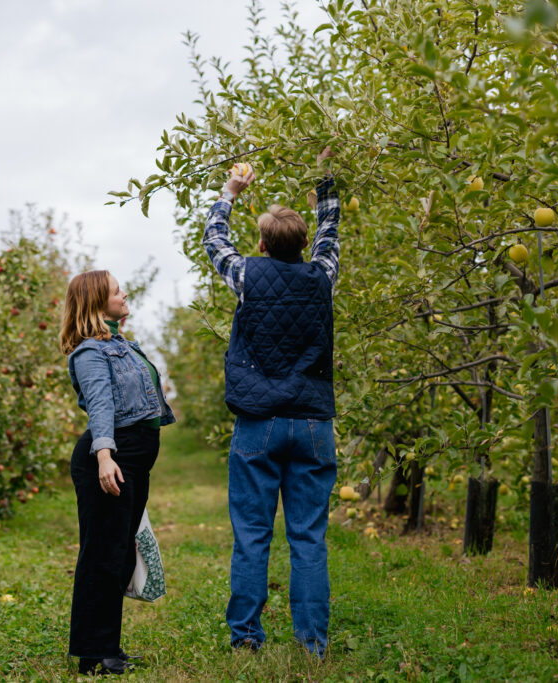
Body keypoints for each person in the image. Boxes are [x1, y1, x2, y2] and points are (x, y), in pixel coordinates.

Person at [203, 147, 340, 658]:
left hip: (258, 421)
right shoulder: (322, 275)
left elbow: (213, 241)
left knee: (253, 534)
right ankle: (313, 645)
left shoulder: (245, 276)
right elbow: (332, 230)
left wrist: (228, 195)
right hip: (311, 421)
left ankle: (246, 640)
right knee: (308, 537)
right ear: (304, 244)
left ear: (261, 244)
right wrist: (325, 179)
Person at [60, 270, 176, 676]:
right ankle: (95, 655)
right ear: (97, 302)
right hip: (111, 457)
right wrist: (105, 455)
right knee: (104, 554)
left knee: (120, 551)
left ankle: (107, 647)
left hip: (132, 456)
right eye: (115, 290)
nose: (124, 293)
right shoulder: (91, 352)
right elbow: (100, 404)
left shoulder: (120, 344)